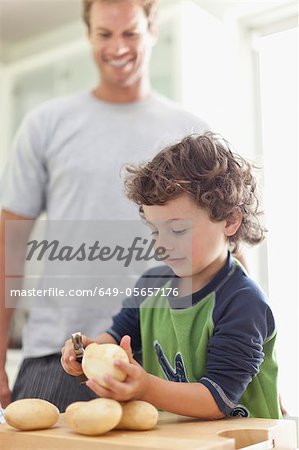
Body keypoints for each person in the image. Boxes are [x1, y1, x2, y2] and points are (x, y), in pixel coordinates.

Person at [0, 0, 209, 412]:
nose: (118, 47)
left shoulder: (192, 132)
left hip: (166, 360)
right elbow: (9, 247)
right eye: (105, 34)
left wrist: (256, 364)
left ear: (152, 30)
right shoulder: (46, 124)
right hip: (58, 358)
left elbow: (224, 250)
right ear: (88, 35)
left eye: (130, 32)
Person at [61, 133, 281, 419]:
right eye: (155, 230)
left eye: (177, 230)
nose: (161, 244)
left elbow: (217, 400)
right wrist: (88, 352)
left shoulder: (243, 303)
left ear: (229, 220)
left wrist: (144, 387)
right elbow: (116, 337)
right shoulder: (151, 285)